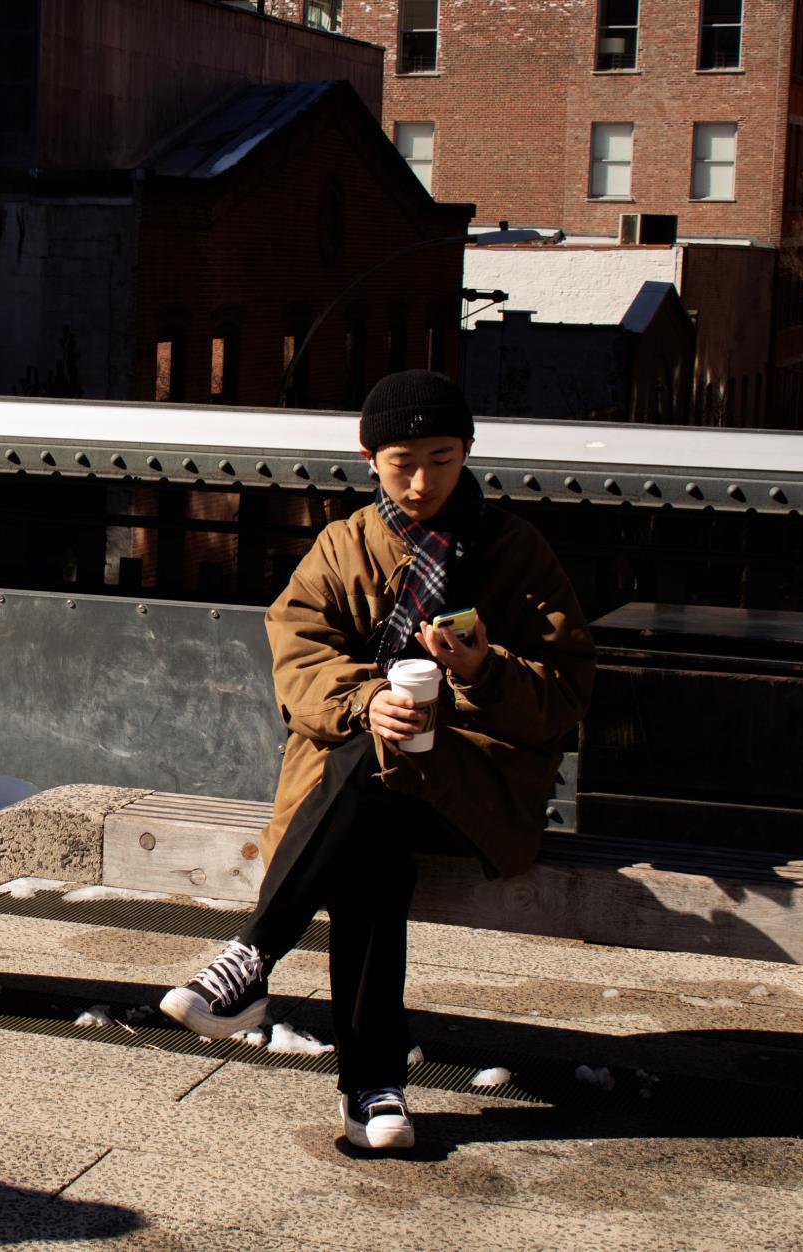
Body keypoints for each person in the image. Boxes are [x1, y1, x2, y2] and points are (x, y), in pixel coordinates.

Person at [160, 369, 596, 1151]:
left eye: (441, 460)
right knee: (370, 849)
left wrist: (482, 670)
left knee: (366, 794)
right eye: (403, 464)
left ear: (467, 452)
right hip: (361, 789)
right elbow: (298, 660)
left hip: (473, 785)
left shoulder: (513, 551)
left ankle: (253, 956)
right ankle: (373, 1093)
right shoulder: (343, 546)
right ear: (369, 459)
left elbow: (563, 692)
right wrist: (367, 699)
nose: (422, 482)